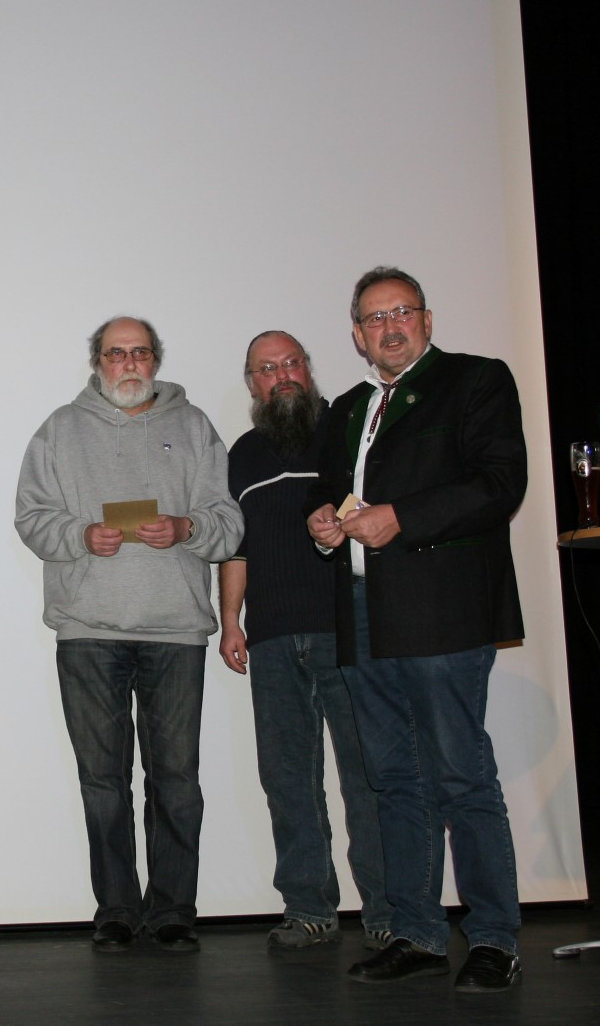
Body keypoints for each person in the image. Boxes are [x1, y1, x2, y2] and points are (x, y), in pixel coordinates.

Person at [305, 266, 526, 992]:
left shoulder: (476, 381)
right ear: (357, 335)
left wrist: (400, 517)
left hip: (442, 610)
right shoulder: (346, 408)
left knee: (461, 775)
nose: (389, 326)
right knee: (394, 780)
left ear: (427, 320)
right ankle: (418, 932)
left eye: (401, 312)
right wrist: (322, 523)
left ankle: (493, 937)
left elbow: (499, 483)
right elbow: (333, 494)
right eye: (374, 318)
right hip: (362, 612)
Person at [15, 316, 242, 953]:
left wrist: (189, 528)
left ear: (155, 360)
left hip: (176, 631)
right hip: (88, 631)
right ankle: (115, 909)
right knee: (102, 781)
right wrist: (80, 536)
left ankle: (173, 912)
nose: (129, 364)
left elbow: (228, 521)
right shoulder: (60, 429)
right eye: (116, 354)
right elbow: (31, 517)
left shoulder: (194, 427)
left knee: (176, 780)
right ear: (98, 362)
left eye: (139, 352)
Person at [218, 331, 389, 953]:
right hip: (269, 639)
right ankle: (309, 908)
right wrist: (231, 620)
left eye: (292, 363)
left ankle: (388, 911)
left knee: (367, 776)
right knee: (287, 779)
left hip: (349, 631)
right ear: (252, 384)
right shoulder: (242, 454)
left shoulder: (348, 432)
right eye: (267, 368)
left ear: (308, 370)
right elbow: (235, 546)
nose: (282, 375)